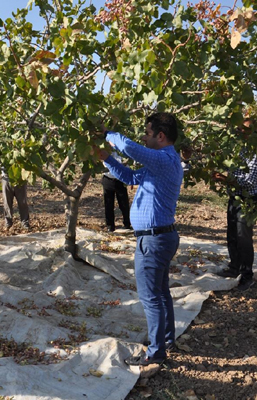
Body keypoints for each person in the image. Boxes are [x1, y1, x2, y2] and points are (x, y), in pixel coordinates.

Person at [97, 113, 183, 366]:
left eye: (147, 133)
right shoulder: (161, 164)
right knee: (161, 292)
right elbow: (131, 177)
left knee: (151, 297)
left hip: (154, 240)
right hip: (160, 237)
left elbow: (129, 148)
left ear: (160, 136)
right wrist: (107, 159)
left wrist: (106, 135)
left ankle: (156, 352)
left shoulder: (164, 158)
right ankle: (167, 340)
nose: (144, 137)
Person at [213, 119, 257, 291]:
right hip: (235, 198)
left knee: (244, 238)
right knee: (232, 234)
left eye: (246, 130)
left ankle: (247, 275)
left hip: (248, 201)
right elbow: (228, 166)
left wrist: (225, 179)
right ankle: (234, 267)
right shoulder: (239, 150)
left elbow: (250, 182)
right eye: (240, 129)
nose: (242, 133)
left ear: (255, 133)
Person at [102, 151, 131, 232]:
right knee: (108, 204)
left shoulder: (121, 152)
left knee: (123, 203)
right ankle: (110, 226)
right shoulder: (105, 151)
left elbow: (127, 164)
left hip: (120, 180)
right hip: (108, 179)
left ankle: (127, 224)